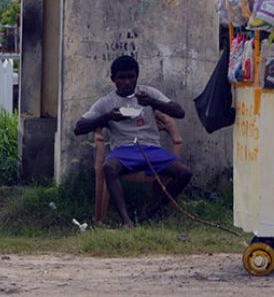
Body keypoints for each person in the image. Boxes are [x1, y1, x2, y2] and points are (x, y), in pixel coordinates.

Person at [74, 55, 192, 228]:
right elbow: (79, 128)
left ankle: (152, 211)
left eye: (131, 77)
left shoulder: (148, 93)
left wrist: (152, 102)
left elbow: (179, 112)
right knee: (109, 167)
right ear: (113, 79)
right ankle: (126, 221)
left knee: (185, 172)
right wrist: (107, 117)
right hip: (124, 151)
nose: (127, 82)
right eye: (122, 78)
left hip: (152, 149)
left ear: (137, 76)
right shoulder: (107, 102)